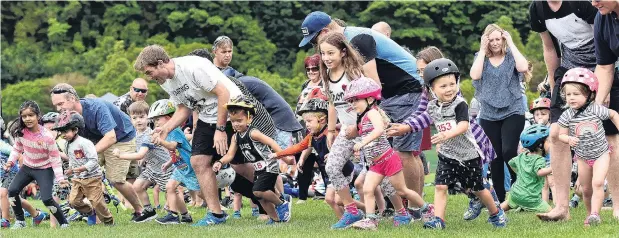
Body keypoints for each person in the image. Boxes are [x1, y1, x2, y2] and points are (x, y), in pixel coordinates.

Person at [299, 12, 427, 209]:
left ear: (325, 32)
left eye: (314, 40)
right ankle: (416, 206)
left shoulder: (357, 40)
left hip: (405, 91)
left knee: (404, 152)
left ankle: (415, 210)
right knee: (410, 153)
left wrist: (362, 124)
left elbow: (373, 84)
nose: (316, 47)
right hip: (400, 92)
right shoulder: (351, 37)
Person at [134, 45, 242, 226]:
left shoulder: (192, 68)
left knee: (242, 164)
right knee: (198, 161)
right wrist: (166, 128)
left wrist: (220, 129)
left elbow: (224, 93)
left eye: (149, 72)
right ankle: (216, 214)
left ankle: (276, 198)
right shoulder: (166, 81)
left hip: (233, 111)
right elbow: (184, 107)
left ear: (160, 63)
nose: (149, 77)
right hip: (207, 116)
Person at [403, 58, 507, 229]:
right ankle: (439, 220)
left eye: (452, 84)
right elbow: (422, 119)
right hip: (447, 155)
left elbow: (463, 125)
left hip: (468, 156)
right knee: (440, 187)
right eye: (443, 86)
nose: (449, 89)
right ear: (432, 89)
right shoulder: (432, 106)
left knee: (478, 190)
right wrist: (404, 128)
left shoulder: (460, 104)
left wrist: (445, 135)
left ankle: (496, 213)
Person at [529, 0, 600, 221]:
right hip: (569, 72)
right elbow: (549, 47)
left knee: (609, 136)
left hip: (601, 66)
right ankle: (561, 207)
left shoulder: (581, 3)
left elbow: (604, 39)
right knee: (556, 135)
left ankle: (615, 204)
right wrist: (553, 84)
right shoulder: (537, 9)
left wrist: (601, 84)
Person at [344, 77, 434, 230]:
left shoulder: (373, 113)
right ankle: (371, 220)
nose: (353, 104)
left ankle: (427, 208)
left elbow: (379, 130)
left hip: (388, 159)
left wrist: (362, 143)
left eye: (356, 100)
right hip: (376, 164)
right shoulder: (362, 117)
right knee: (367, 189)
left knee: (401, 190)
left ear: (370, 99)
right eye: (351, 101)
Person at [50, 83, 144, 220]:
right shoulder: (69, 117)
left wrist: (89, 154)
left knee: (115, 179)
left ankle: (140, 211)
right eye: (56, 106)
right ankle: (91, 213)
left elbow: (111, 137)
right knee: (83, 172)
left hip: (121, 137)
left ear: (72, 99)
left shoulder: (96, 107)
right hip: (97, 140)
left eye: (60, 104)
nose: (59, 109)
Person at [271, 88, 355, 221]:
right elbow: (297, 147)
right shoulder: (312, 136)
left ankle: (354, 215)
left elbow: (344, 148)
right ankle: (351, 217)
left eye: (309, 121)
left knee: (337, 199)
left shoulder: (330, 134)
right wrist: (278, 154)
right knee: (332, 200)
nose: (307, 125)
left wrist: (333, 154)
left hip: (344, 170)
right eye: (305, 122)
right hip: (334, 172)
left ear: (322, 120)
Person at [469, 24, 529, 202]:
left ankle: (520, 186)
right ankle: (501, 198)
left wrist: (510, 41)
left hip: (513, 109)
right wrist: (482, 49)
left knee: (509, 150)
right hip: (488, 112)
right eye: (491, 40)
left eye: (498, 39)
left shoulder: (510, 56)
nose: (495, 43)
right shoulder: (481, 58)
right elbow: (475, 75)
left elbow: (523, 67)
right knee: (494, 156)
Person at [213, 96, 290, 224]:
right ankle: (275, 219)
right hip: (258, 169)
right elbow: (230, 155)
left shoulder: (253, 132)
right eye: (233, 121)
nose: (236, 124)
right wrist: (220, 162)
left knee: (259, 191)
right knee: (259, 197)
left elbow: (271, 142)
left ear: (249, 118)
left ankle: (282, 203)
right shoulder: (236, 137)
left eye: (239, 120)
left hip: (269, 165)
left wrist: (285, 157)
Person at [557, 68, 619, 226]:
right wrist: (568, 138)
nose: (571, 98)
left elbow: (613, 114)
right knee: (585, 190)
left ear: (589, 94)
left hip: (601, 153)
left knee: (598, 182)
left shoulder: (596, 109)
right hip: (583, 157)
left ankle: (595, 214)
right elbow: (560, 134)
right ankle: (589, 214)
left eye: (576, 94)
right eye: (568, 94)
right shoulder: (567, 115)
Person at [3, 101, 69, 229]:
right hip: (27, 167)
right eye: (24, 116)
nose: (27, 119)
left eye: (31, 115)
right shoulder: (20, 132)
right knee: (12, 191)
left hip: (45, 169)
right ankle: (20, 221)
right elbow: (17, 149)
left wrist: (60, 179)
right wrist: (11, 162)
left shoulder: (47, 137)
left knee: (46, 199)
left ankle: (64, 223)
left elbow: (55, 159)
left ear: (38, 116)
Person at [113, 101, 174, 223]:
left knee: (171, 191)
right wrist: (144, 159)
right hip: (152, 168)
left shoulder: (148, 134)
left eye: (142, 117)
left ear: (149, 118)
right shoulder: (136, 134)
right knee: (137, 186)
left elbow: (140, 153)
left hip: (164, 167)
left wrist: (121, 155)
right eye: (134, 118)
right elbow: (144, 152)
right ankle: (149, 211)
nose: (138, 120)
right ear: (130, 119)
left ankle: (177, 214)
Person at [52, 110, 114, 226]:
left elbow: (94, 160)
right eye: (61, 132)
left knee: (97, 202)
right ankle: (90, 213)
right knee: (73, 202)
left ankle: (109, 222)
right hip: (77, 178)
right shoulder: (66, 144)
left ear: (75, 130)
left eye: (65, 131)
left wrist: (83, 168)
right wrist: (71, 169)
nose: (63, 135)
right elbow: (72, 159)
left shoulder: (84, 143)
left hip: (92, 177)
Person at [147, 99, 200, 225]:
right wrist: (169, 163)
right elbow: (177, 152)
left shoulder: (174, 131)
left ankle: (217, 209)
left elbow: (172, 146)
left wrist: (160, 141)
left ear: (166, 117)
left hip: (189, 167)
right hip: (179, 167)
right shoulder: (168, 131)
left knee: (202, 194)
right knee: (170, 187)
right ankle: (179, 216)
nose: (156, 123)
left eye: (157, 119)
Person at [590, 0, 619, 220]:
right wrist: (597, 108)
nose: (593, 2)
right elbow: (605, 65)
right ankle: (618, 206)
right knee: (613, 145)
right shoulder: (602, 17)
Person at [502, 125, 552, 213]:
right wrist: (553, 168)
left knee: (508, 203)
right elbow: (539, 172)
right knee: (550, 211)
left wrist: (519, 172)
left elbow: (511, 163)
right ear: (540, 145)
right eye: (548, 141)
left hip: (515, 193)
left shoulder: (522, 156)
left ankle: (494, 211)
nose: (550, 144)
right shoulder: (539, 159)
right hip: (530, 198)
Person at [295, 54, 324, 203]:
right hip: (302, 127)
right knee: (302, 162)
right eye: (308, 69)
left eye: (315, 68)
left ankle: (329, 191)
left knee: (322, 161)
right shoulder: (305, 85)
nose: (311, 72)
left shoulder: (325, 85)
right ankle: (302, 196)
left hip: (319, 128)